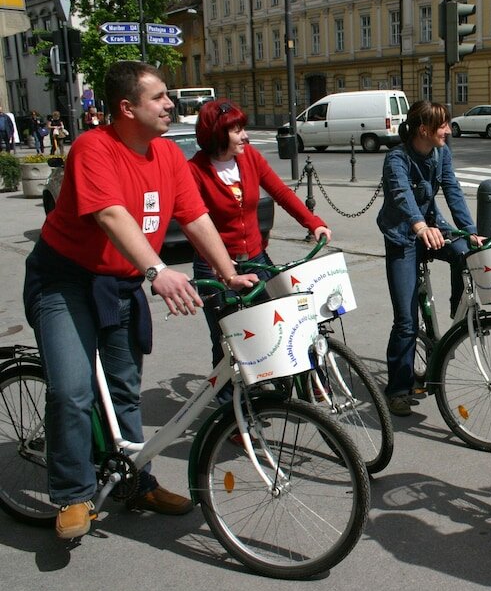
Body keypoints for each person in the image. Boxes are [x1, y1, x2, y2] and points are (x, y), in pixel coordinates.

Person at [23, 61, 259, 541]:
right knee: (72, 389)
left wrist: (229, 271)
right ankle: (72, 493)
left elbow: (194, 218)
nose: (170, 104)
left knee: (124, 388)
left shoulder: (169, 155)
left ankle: (134, 481)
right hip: (64, 280)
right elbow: (111, 215)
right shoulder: (94, 148)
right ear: (127, 107)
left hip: (119, 284)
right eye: (159, 97)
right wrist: (158, 270)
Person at [188, 99, 331, 400]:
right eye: (236, 130)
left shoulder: (250, 157)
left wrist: (312, 222)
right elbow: (194, 221)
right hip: (215, 267)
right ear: (217, 133)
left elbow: (279, 191)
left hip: (255, 257)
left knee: (284, 320)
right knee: (227, 341)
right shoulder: (195, 171)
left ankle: (308, 382)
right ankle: (230, 413)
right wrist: (217, 261)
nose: (245, 136)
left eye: (243, 128)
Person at [376, 101, 484, 417]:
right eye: (443, 126)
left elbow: (453, 191)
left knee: (466, 252)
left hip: (432, 229)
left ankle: (455, 315)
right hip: (403, 238)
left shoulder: (441, 153)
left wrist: (470, 231)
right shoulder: (396, 158)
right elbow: (401, 196)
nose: (448, 131)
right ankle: (397, 389)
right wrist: (419, 225)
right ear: (423, 129)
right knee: (406, 321)